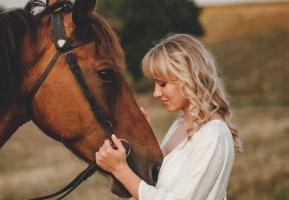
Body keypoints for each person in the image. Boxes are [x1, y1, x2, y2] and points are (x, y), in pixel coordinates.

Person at [95, 33, 242, 200]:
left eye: (163, 84)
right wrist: (141, 139)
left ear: (189, 77)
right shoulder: (180, 124)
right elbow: (160, 185)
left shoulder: (213, 134)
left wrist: (121, 170)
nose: (156, 93)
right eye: (155, 84)